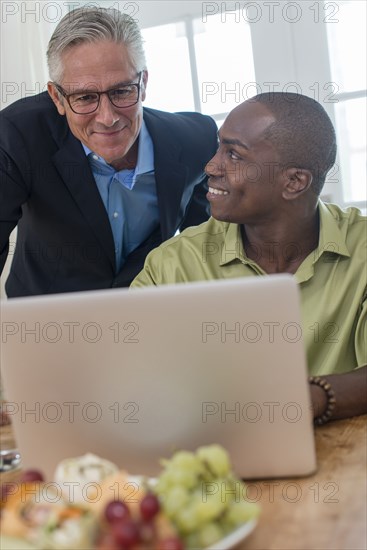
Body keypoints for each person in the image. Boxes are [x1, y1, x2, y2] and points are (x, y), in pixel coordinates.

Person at [131, 92, 367, 424]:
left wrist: (308, 399)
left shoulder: (362, 249)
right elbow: (129, 379)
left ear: (294, 182)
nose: (211, 167)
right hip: (212, 462)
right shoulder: (172, 266)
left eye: (234, 155)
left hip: (347, 462)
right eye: (218, 148)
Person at [0, 7, 217, 297]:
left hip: (148, 313)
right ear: (57, 98)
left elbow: (207, 249)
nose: (107, 117)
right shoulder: (18, 136)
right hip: (46, 320)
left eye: (121, 91)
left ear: (143, 84)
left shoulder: (195, 140)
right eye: (86, 97)